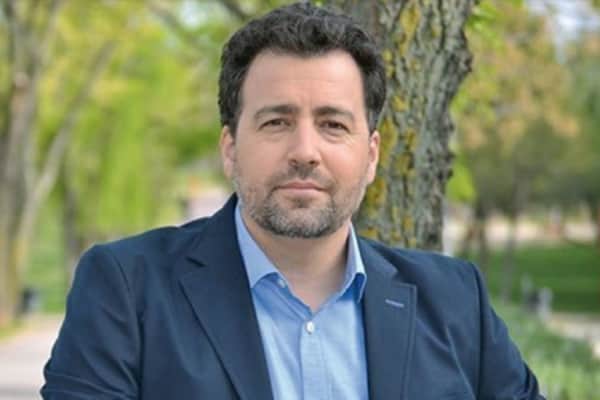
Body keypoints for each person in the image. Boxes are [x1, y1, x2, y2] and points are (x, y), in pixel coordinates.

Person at [42, 2, 545, 399]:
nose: (305, 151)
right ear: (230, 148)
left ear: (371, 155)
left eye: (333, 124)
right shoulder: (127, 290)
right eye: (277, 122)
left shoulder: (456, 300)